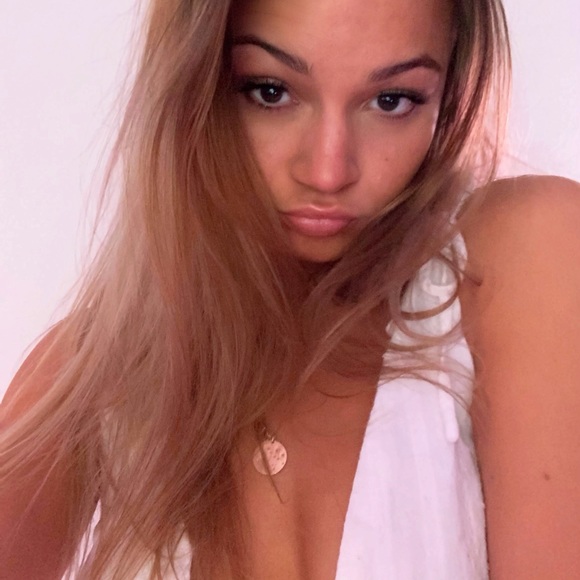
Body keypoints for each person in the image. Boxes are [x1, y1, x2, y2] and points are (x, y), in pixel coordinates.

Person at [1, 0, 580, 578]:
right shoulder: (91, 375)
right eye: (271, 92)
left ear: (450, 90)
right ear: (191, 88)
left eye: (392, 100)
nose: (328, 172)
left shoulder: (518, 258)